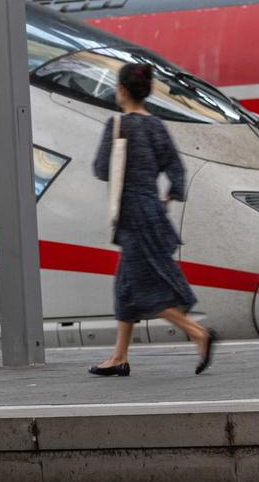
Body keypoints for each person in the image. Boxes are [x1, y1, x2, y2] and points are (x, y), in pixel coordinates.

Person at [90, 63, 216, 376]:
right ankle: (119, 357)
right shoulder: (157, 126)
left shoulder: (118, 125)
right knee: (126, 287)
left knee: (145, 288)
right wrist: (168, 196)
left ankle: (198, 333)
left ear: (121, 90)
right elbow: (176, 168)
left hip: (132, 216)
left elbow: (101, 168)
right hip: (153, 212)